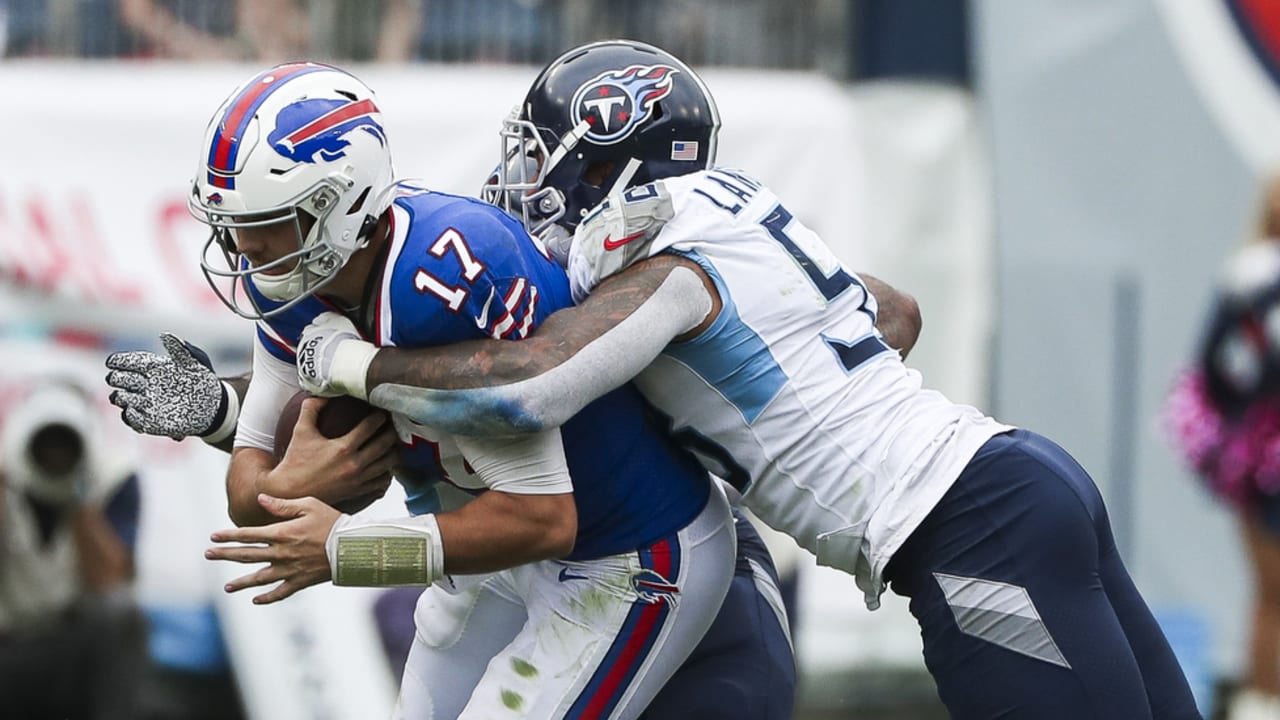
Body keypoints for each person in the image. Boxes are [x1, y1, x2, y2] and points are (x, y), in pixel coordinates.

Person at [288, 39, 1202, 719]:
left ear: (607, 159)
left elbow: (526, 386)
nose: (525, 183)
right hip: (1018, 482)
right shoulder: (735, 213)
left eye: (543, 156)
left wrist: (353, 361)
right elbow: (897, 312)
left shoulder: (669, 259)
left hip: (967, 528)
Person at [139, 60, 745, 720]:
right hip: (486, 546)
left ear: (338, 203)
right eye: (234, 224)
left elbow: (543, 517)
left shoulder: (446, 275)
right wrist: (287, 483)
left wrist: (349, 552)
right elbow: (251, 500)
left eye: (269, 221)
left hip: (621, 551)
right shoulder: (286, 276)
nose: (244, 248)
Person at [1164, 175, 1280, 720]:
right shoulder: (1253, 277)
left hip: (1259, 456)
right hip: (1265, 465)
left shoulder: (1249, 275)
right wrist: (1249, 422)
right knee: (1272, 590)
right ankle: (1262, 701)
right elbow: (1214, 366)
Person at [0, 377, 146, 720]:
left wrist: (78, 498)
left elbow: (110, 580)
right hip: (6, 643)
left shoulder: (114, 476)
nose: (55, 454)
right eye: (48, 442)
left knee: (123, 615)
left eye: (65, 443)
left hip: (71, 645)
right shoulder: (6, 474)